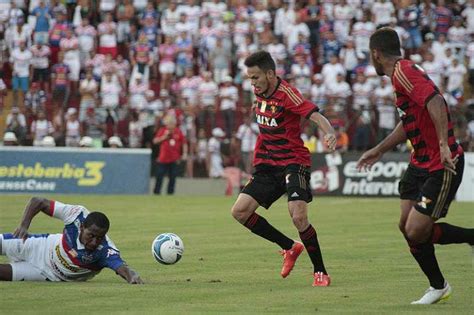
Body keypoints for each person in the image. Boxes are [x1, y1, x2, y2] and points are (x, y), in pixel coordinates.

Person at [357, 28, 474, 305]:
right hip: (419, 162)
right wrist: (378, 150)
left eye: (370, 57)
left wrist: (444, 145)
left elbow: (435, 100)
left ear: (376, 53)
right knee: (405, 225)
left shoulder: (403, 72)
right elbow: (408, 121)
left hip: (441, 163)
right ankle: (438, 286)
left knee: (416, 230)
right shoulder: (401, 75)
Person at [230, 51, 337, 287]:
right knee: (239, 212)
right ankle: (289, 247)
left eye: (256, 77)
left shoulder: (287, 94)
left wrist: (329, 132)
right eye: (250, 78)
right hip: (268, 164)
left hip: (293, 161)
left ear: (270, 74)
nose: (253, 83)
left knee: (298, 216)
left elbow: (313, 114)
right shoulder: (259, 93)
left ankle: (320, 272)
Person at [0, 197, 143, 284]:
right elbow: (38, 201)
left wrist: (131, 275)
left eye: (100, 238)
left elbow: (122, 268)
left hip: (47, 275)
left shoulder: (105, 250)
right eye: (91, 235)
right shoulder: (75, 215)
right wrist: (24, 226)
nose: (94, 242)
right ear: (81, 227)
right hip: (39, 246)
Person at [152, 115, 187, 195]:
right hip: (163, 158)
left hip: (174, 159)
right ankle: (156, 192)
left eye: (172, 124)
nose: (170, 125)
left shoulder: (178, 131)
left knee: (173, 177)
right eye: (169, 124)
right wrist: (164, 137)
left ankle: (170, 193)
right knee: (159, 176)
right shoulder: (162, 130)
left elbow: (184, 143)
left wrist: (184, 153)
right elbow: (155, 141)